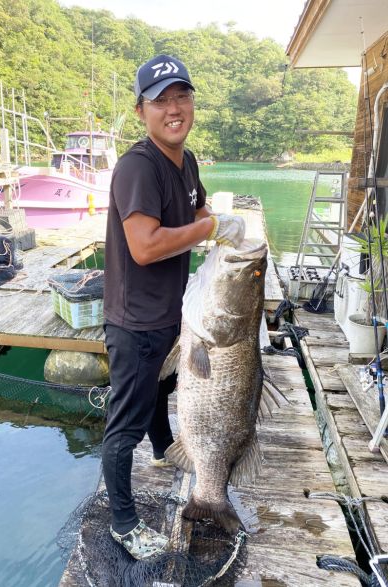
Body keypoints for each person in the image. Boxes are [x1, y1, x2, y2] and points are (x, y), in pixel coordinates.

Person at [102, 54, 246, 561]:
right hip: (135, 322)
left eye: (181, 96)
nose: (174, 108)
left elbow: (198, 208)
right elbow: (144, 246)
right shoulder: (138, 167)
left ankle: (166, 451)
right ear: (141, 110)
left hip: (175, 313)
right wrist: (208, 230)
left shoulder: (186, 161)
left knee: (166, 388)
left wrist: (221, 229)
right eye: (160, 100)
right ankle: (123, 522)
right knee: (126, 420)